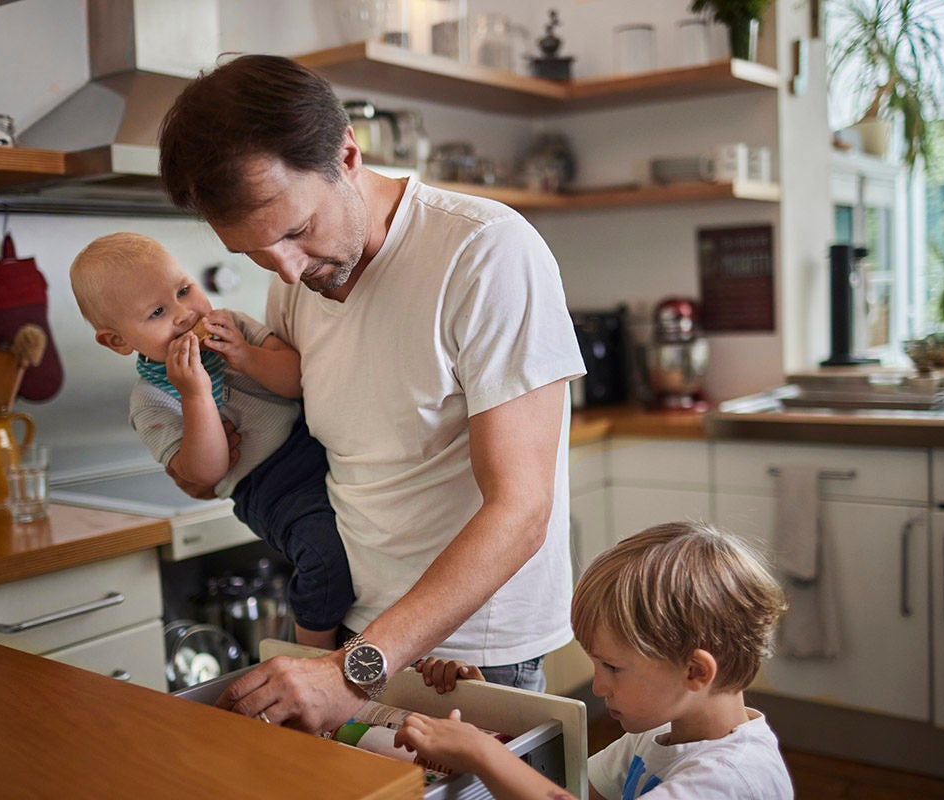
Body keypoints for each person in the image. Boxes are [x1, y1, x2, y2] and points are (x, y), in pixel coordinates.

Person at [157, 54, 585, 734]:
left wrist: (354, 669)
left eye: (296, 232)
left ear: (347, 153)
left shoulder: (485, 252)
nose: (288, 270)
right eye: (256, 254)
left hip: (471, 651)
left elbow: (521, 511)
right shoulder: (295, 278)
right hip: (358, 629)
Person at [69, 232, 353, 650]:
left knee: (367, 534)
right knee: (326, 554)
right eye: (158, 312)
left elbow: (296, 382)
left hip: (312, 442)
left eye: (184, 290)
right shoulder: (150, 400)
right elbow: (206, 472)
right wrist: (196, 395)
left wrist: (246, 356)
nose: (185, 314)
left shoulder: (231, 326)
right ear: (118, 340)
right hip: (268, 487)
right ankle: (311, 651)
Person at [394, 522, 794, 800]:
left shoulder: (730, 779)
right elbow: (567, 791)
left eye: (613, 668)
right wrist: (489, 711)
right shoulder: (656, 736)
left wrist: (486, 755)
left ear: (695, 672)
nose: (599, 686)